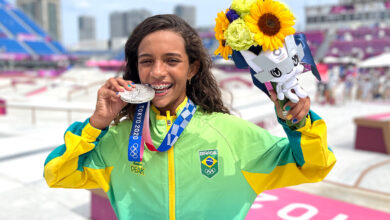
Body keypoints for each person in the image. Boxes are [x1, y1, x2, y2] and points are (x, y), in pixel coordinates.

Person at [43, 14, 336, 220]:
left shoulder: (232, 134)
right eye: (147, 61)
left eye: (172, 60)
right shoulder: (117, 139)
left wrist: (299, 125)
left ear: (192, 69)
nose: (157, 72)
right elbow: (58, 174)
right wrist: (96, 125)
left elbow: (313, 166)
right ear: (136, 70)